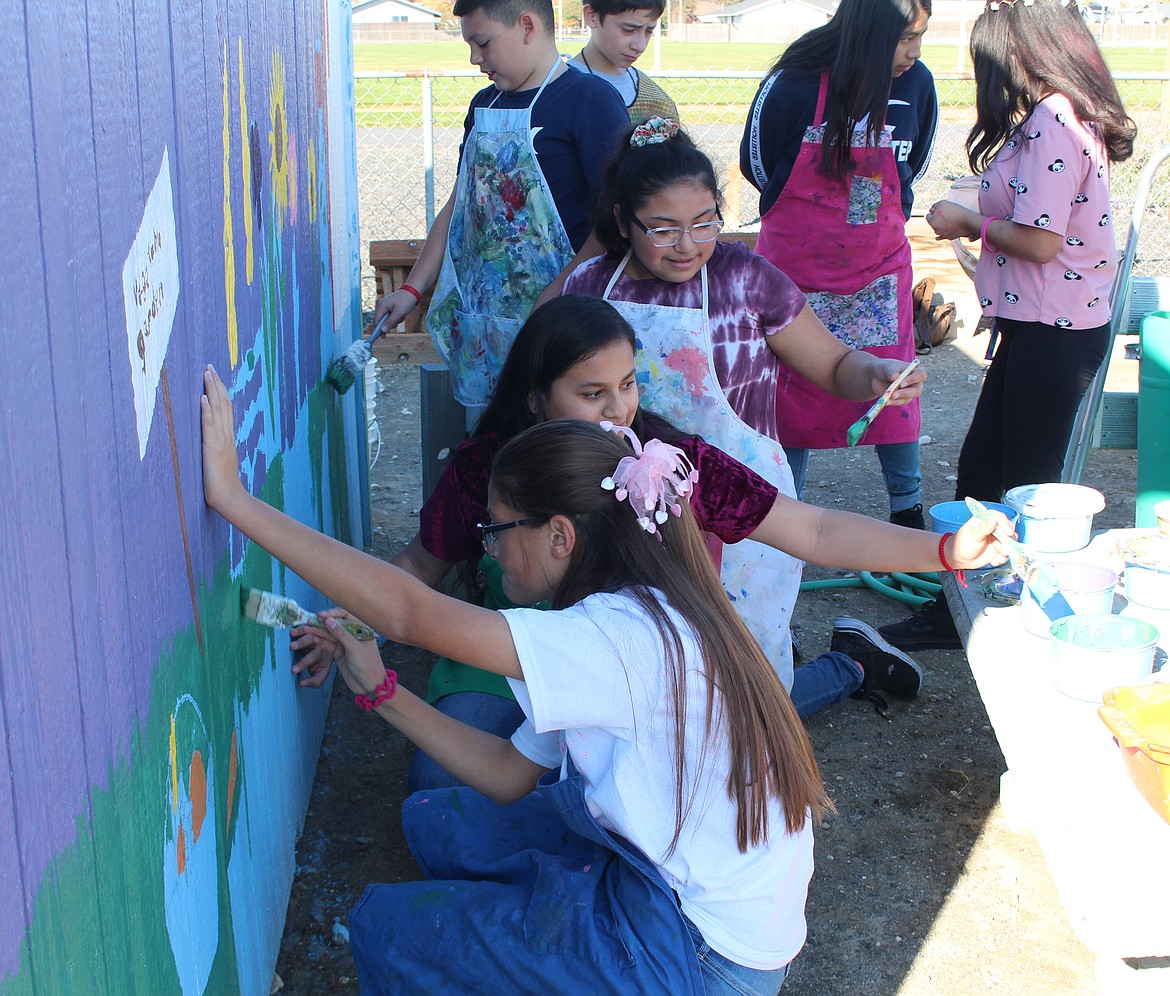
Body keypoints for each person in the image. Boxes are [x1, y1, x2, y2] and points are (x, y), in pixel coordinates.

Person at [200, 368, 1004, 993]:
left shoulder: (610, 639)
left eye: (495, 529)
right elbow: (513, 774)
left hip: (698, 956)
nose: (486, 547)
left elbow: (411, 613)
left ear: (557, 536)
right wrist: (381, 692)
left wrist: (234, 501)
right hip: (689, 895)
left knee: (385, 926)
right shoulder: (646, 604)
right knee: (433, 822)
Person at [305, 297, 928, 790]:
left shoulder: (666, 463)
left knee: (716, 748)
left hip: (635, 676)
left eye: (627, 385)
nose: (618, 410)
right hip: (502, 664)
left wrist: (946, 553)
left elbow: (813, 529)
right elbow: (420, 566)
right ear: (536, 397)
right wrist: (351, 625)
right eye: (591, 392)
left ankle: (848, 665)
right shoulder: (487, 468)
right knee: (443, 789)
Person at [564, 120, 927, 688]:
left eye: (704, 222)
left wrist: (875, 374)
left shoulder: (743, 277)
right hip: (625, 506)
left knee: (747, 666)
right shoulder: (589, 286)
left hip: (747, 507)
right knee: (646, 662)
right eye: (663, 230)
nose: (688, 245)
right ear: (621, 221)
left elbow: (833, 365)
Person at [881, 0, 1136, 653]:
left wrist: (970, 224)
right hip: (1042, 324)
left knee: (1025, 488)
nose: (979, 79)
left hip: (1055, 331)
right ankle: (962, 608)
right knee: (983, 471)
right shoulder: (1061, 117)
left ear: (1020, 59)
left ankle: (1032, 623)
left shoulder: (1054, 120)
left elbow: (1043, 241)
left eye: (985, 65)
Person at [371, 0, 628, 412]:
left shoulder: (590, 101)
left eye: (483, 43)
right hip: (485, 325)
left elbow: (612, 222)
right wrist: (410, 288)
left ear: (527, 25)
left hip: (564, 321)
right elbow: (458, 206)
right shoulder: (483, 105)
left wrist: (553, 294)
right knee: (492, 440)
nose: (475, 58)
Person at [740, 0, 938, 528]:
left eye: (921, 37)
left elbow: (912, 163)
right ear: (869, 32)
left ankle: (908, 511)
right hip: (794, 276)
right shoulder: (795, 81)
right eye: (904, 40)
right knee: (790, 388)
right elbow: (756, 162)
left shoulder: (917, 85)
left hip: (876, 272)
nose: (914, 54)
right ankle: (790, 512)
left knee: (894, 386)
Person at [569, 0, 679, 125]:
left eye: (649, 31)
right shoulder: (556, 91)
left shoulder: (657, 102)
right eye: (628, 30)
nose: (640, 46)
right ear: (591, 16)